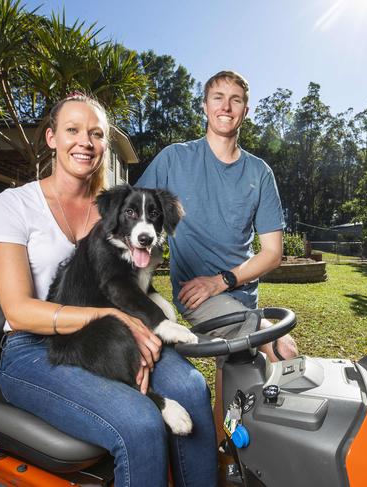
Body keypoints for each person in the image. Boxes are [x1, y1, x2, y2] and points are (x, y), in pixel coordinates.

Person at [0, 93, 217, 487]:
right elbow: (18, 311)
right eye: (72, 130)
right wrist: (114, 319)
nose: (85, 142)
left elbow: (129, 285)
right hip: (35, 349)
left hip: (115, 333)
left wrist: (134, 324)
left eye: (96, 133)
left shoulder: (116, 207)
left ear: (105, 144)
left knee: (191, 386)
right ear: (52, 137)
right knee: (140, 424)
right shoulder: (14, 204)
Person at [137, 71, 298, 442]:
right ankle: (241, 443)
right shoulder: (174, 159)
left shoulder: (259, 172)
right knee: (274, 351)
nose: (226, 106)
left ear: (245, 109)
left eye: (235, 99)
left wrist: (223, 280)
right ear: (205, 106)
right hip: (195, 295)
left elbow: (272, 253)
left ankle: (224, 449)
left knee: (233, 389)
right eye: (218, 97)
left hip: (240, 296)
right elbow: (133, 208)